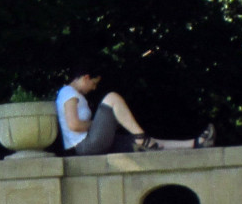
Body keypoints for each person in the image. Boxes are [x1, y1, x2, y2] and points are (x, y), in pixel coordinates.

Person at [57, 67, 216, 156]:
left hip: (91, 144)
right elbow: (74, 125)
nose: (94, 88)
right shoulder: (68, 92)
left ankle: (196, 143)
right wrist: (99, 124)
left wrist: (105, 125)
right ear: (86, 77)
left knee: (150, 143)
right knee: (112, 97)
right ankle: (141, 137)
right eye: (94, 83)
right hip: (86, 146)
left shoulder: (74, 95)